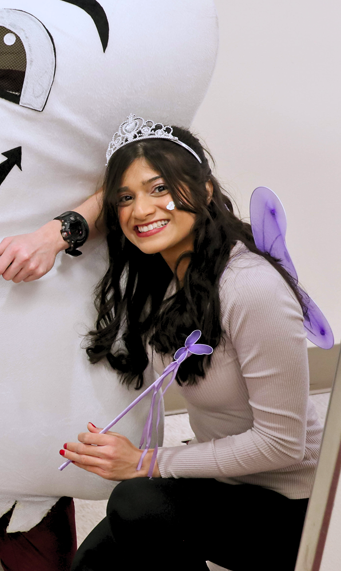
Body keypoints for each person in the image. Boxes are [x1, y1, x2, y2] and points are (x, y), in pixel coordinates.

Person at [61, 116, 322, 570]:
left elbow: (283, 445)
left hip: (302, 510)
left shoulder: (250, 287)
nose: (141, 210)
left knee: (137, 503)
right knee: (94, 562)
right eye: (126, 197)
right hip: (231, 482)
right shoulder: (167, 280)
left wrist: (148, 462)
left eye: (159, 188)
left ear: (203, 191)